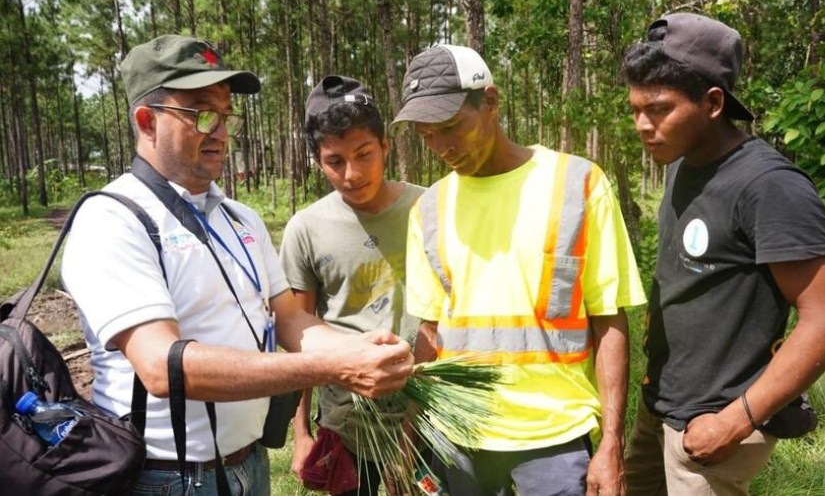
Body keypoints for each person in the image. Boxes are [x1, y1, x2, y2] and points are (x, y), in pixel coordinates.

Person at [60, 35, 413, 496]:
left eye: (226, 115)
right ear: (147, 122)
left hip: (249, 465)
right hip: (165, 476)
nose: (221, 132)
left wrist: (362, 347)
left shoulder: (239, 219)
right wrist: (335, 366)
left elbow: (290, 319)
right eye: (202, 114)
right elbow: (162, 366)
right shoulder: (113, 219)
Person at [393, 44, 646, 496]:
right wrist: (410, 438)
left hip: (554, 437)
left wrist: (611, 443)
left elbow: (609, 319)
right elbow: (430, 334)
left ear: (490, 102)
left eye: (452, 126)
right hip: (458, 435)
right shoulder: (429, 209)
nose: (443, 147)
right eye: (427, 135)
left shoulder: (577, 185)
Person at [622, 13, 825, 495]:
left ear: (713, 103)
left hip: (715, 422)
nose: (643, 126)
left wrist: (737, 420)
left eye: (659, 109)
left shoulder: (768, 186)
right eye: (634, 110)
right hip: (660, 406)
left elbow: (820, 317)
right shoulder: (680, 165)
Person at [280, 75, 424, 495]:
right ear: (318, 161)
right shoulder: (305, 230)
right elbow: (298, 334)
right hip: (347, 424)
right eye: (334, 161)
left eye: (364, 154)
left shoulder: (428, 209)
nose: (352, 173)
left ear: (386, 146)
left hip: (426, 412)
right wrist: (301, 432)